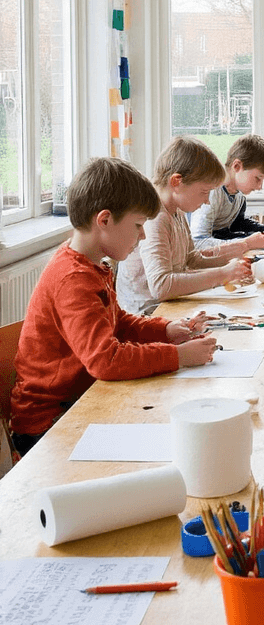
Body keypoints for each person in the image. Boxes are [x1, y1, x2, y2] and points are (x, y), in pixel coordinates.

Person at [9, 158, 218, 455]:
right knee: (171, 442)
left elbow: (117, 322)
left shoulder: (92, 265)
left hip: (79, 400)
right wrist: (178, 356)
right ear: (104, 220)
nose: (142, 235)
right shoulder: (73, 278)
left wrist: (167, 330)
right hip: (48, 423)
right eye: (138, 225)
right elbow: (105, 360)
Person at [115, 137, 253, 313]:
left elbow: (192, 259)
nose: (207, 201)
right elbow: (161, 286)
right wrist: (223, 274)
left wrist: (235, 260)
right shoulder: (155, 218)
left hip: (167, 306)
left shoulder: (177, 211)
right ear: (176, 182)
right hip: (147, 313)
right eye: (204, 192)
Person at [190, 134, 264, 252]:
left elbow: (237, 224)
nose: (260, 187)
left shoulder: (239, 193)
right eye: (258, 178)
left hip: (220, 241)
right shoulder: (211, 192)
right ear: (237, 166)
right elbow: (198, 242)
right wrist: (246, 243)